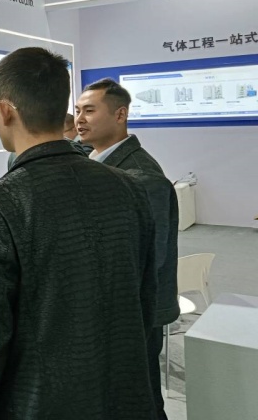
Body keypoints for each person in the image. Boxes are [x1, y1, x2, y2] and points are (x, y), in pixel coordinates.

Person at [0, 47, 157, 420]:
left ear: (5, 111)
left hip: (39, 402)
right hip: (124, 395)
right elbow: (144, 300)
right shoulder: (129, 187)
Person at [76, 78, 179, 420]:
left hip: (134, 315)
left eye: (90, 111)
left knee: (140, 398)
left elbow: (148, 259)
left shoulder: (141, 175)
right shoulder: (93, 159)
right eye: (78, 110)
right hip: (109, 311)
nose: (80, 119)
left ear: (120, 115)